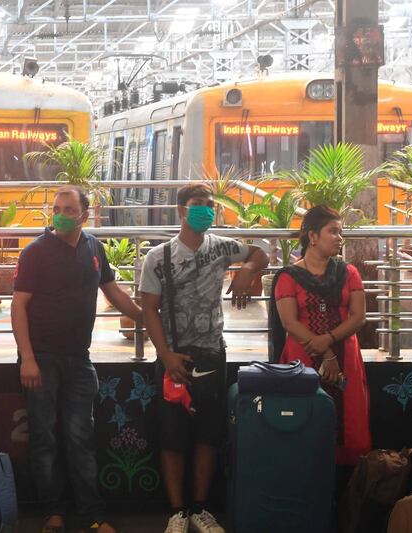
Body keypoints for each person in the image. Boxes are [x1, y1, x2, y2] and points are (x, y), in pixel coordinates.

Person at [12, 186, 142, 533]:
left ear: (85, 214)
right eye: (56, 208)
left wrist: (146, 318)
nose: (60, 214)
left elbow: (112, 291)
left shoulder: (94, 248)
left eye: (68, 209)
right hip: (41, 358)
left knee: (81, 437)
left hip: (79, 359)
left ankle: (92, 516)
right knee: (44, 438)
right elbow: (18, 305)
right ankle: (52, 512)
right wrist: (27, 358)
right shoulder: (35, 253)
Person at [139, 183, 268, 533]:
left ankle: (200, 508)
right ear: (182, 210)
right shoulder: (159, 257)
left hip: (213, 354)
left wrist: (245, 272)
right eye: (198, 205)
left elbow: (262, 251)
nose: (206, 211)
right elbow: (148, 308)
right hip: (174, 358)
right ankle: (177, 512)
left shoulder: (223, 247)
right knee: (172, 437)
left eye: (210, 205)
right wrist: (164, 354)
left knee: (208, 436)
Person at [270, 205, 371, 468]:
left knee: (349, 423)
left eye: (341, 232)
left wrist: (327, 340)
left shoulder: (349, 273)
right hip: (303, 359)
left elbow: (358, 317)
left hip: (346, 357)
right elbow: (289, 322)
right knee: (305, 421)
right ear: (312, 236)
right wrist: (327, 353)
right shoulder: (288, 277)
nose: (339, 238)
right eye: (333, 231)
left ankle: (346, 494)